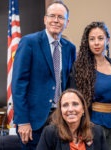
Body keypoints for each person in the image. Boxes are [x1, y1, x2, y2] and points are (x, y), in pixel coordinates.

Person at [11, 1, 76, 149]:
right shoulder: (29, 42)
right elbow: (18, 84)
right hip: (33, 122)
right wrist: (23, 121)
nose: (56, 20)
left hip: (61, 119)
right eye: (52, 16)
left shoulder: (70, 48)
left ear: (66, 22)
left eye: (60, 17)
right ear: (45, 19)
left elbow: (70, 85)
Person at [68, 21, 111, 150]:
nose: (96, 43)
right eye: (92, 39)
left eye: (100, 38)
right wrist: (80, 127)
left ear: (108, 40)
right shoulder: (80, 67)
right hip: (92, 124)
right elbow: (75, 99)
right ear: (87, 42)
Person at [36, 89, 109, 150]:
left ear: (83, 109)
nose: (70, 109)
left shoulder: (97, 131)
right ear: (60, 110)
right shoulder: (50, 133)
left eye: (75, 104)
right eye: (65, 105)